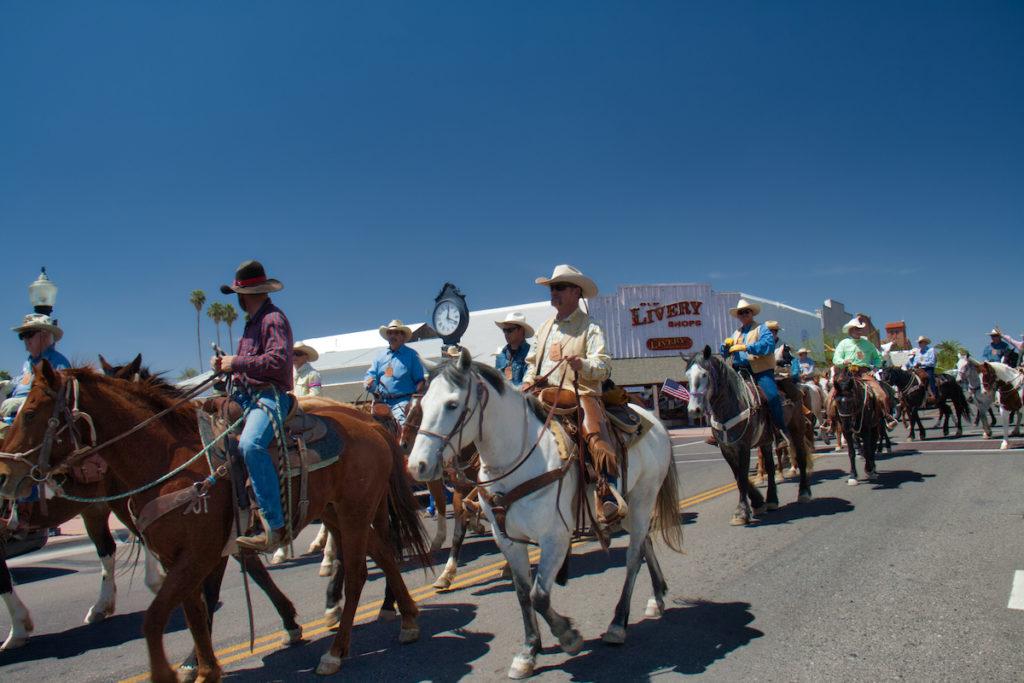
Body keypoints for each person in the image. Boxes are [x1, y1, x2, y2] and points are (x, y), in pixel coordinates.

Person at [520, 264, 623, 524]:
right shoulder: (544, 328)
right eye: (553, 288)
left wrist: (583, 365)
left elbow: (604, 366)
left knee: (594, 434)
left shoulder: (591, 327)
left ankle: (606, 492)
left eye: (560, 287)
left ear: (577, 292)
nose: (554, 292)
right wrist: (527, 381)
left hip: (579, 394)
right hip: (542, 394)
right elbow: (532, 364)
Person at [210, 260, 294, 552]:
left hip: (270, 396)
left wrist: (238, 362)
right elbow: (246, 367)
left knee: (251, 446)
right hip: (246, 397)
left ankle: (274, 525)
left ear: (244, 295)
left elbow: (279, 361)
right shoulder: (252, 323)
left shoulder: (273, 319)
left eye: (238, 294)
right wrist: (226, 366)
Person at [721, 302, 793, 448]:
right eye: (741, 312)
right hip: (739, 371)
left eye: (747, 311)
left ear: (752, 313)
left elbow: (768, 346)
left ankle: (780, 432)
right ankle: (720, 432)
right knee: (722, 394)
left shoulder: (762, 329)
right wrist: (725, 347)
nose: (744, 314)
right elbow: (724, 354)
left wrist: (747, 347)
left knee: (772, 396)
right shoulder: (736, 333)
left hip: (760, 371)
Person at [1, 314, 71, 427]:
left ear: (44, 335)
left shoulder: (58, 362)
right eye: (22, 336)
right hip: (16, 420)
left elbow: (61, 398)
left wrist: (23, 403)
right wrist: (9, 386)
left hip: (35, 426)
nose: (25, 339)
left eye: (29, 334)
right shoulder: (28, 362)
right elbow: (23, 383)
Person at [830, 317, 897, 430]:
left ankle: (887, 417)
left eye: (860, 329)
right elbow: (836, 359)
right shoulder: (843, 343)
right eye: (856, 329)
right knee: (831, 395)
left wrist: (874, 370)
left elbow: (878, 358)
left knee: (882, 395)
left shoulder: (868, 344)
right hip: (847, 373)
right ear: (850, 330)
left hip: (864, 373)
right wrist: (843, 361)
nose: (859, 331)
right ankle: (830, 421)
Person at [364, 320, 426, 425]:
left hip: (403, 401)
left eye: (396, 333)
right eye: (390, 333)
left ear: (403, 336)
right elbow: (371, 375)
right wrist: (369, 384)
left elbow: (420, 381)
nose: (392, 335)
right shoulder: (380, 357)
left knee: (400, 424)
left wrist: (415, 403)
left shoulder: (412, 355)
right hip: (382, 402)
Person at [494, 312, 534, 388]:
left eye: (510, 330)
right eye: (504, 330)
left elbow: (528, 382)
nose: (506, 334)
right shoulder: (500, 354)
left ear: (521, 330)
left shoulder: (531, 353)